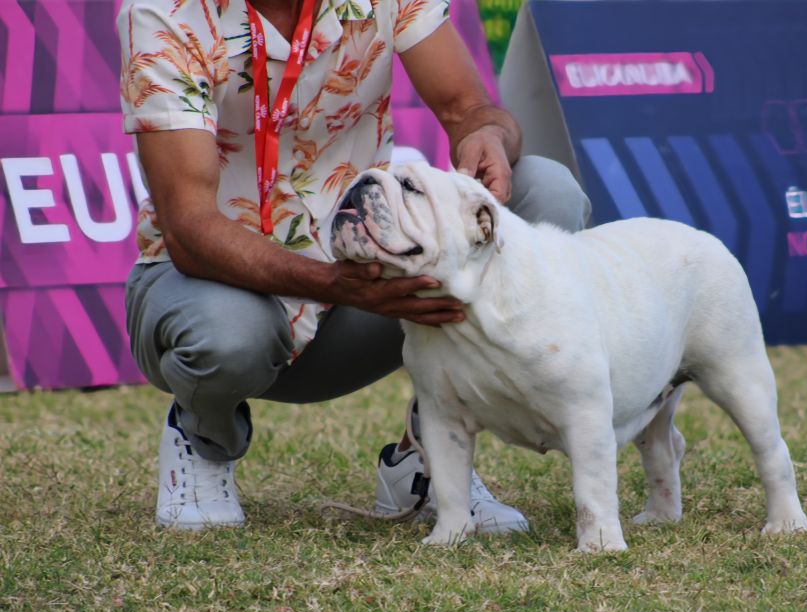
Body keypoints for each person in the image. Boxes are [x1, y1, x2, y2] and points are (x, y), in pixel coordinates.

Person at [116, 0, 591, 532]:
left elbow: (467, 108)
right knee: (225, 336)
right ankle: (202, 437)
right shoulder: (166, 13)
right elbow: (189, 229)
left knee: (545, 192)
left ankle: (429, 455)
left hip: (362, 274)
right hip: (219, 289)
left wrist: (489, 136)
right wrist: (334, 285)